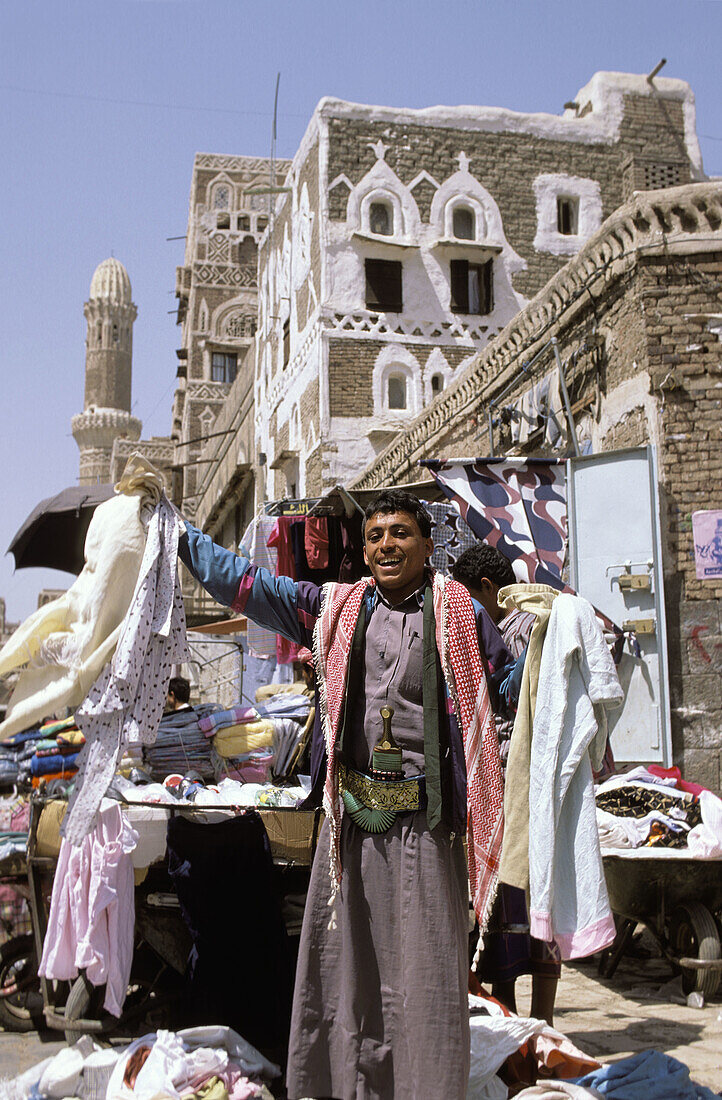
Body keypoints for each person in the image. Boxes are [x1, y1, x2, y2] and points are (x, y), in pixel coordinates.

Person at [177, 489, 510, 1100]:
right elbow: (251, 586)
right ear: (363, 549)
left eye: (401, 533)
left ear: (427, 545)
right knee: (344, 972)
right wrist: (178, 537)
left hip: (426, 832)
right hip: (351, 830)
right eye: (377, 535)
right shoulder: (339, 609)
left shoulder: (458, 615)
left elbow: (511, 684)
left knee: (426, 977)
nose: (387, 545)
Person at [452, 543, 561, 1026]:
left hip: (513, 781)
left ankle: (515, 1018)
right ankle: (536, 1020)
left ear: (487, 590)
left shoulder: (510, 631)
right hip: (535, 782)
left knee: (509, 902)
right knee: (535, 907)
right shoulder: (537, 625)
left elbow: (506, 707)